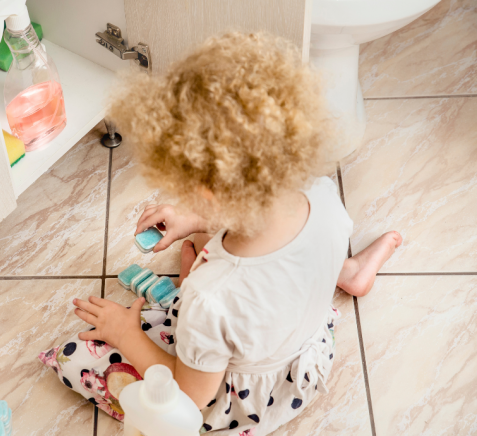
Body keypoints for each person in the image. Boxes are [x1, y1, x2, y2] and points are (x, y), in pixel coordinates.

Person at [66, 32, 401, 435]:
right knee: (221, 262)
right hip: (310, 349)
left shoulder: (210, 299)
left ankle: (175, 338)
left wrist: (127, 333)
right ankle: (346, 272)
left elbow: (189, 398)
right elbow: (256, 221)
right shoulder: (322, 195)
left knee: (74, 358)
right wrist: (195, 220)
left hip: (249, 401)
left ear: (205, 190)